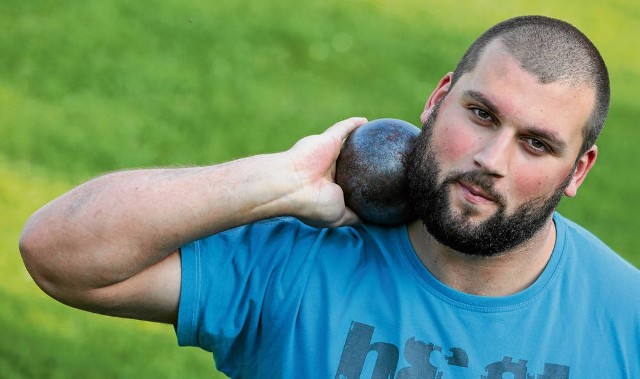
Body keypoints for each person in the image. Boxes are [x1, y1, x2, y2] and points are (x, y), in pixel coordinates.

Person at [19, 15, 640, 378]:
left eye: (535, 144)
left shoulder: (625, 321)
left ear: (578, 170)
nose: (490, 159)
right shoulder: (304, 256)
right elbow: (57, 253)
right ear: (436, 100)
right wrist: (271, 183)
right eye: (479, 114)